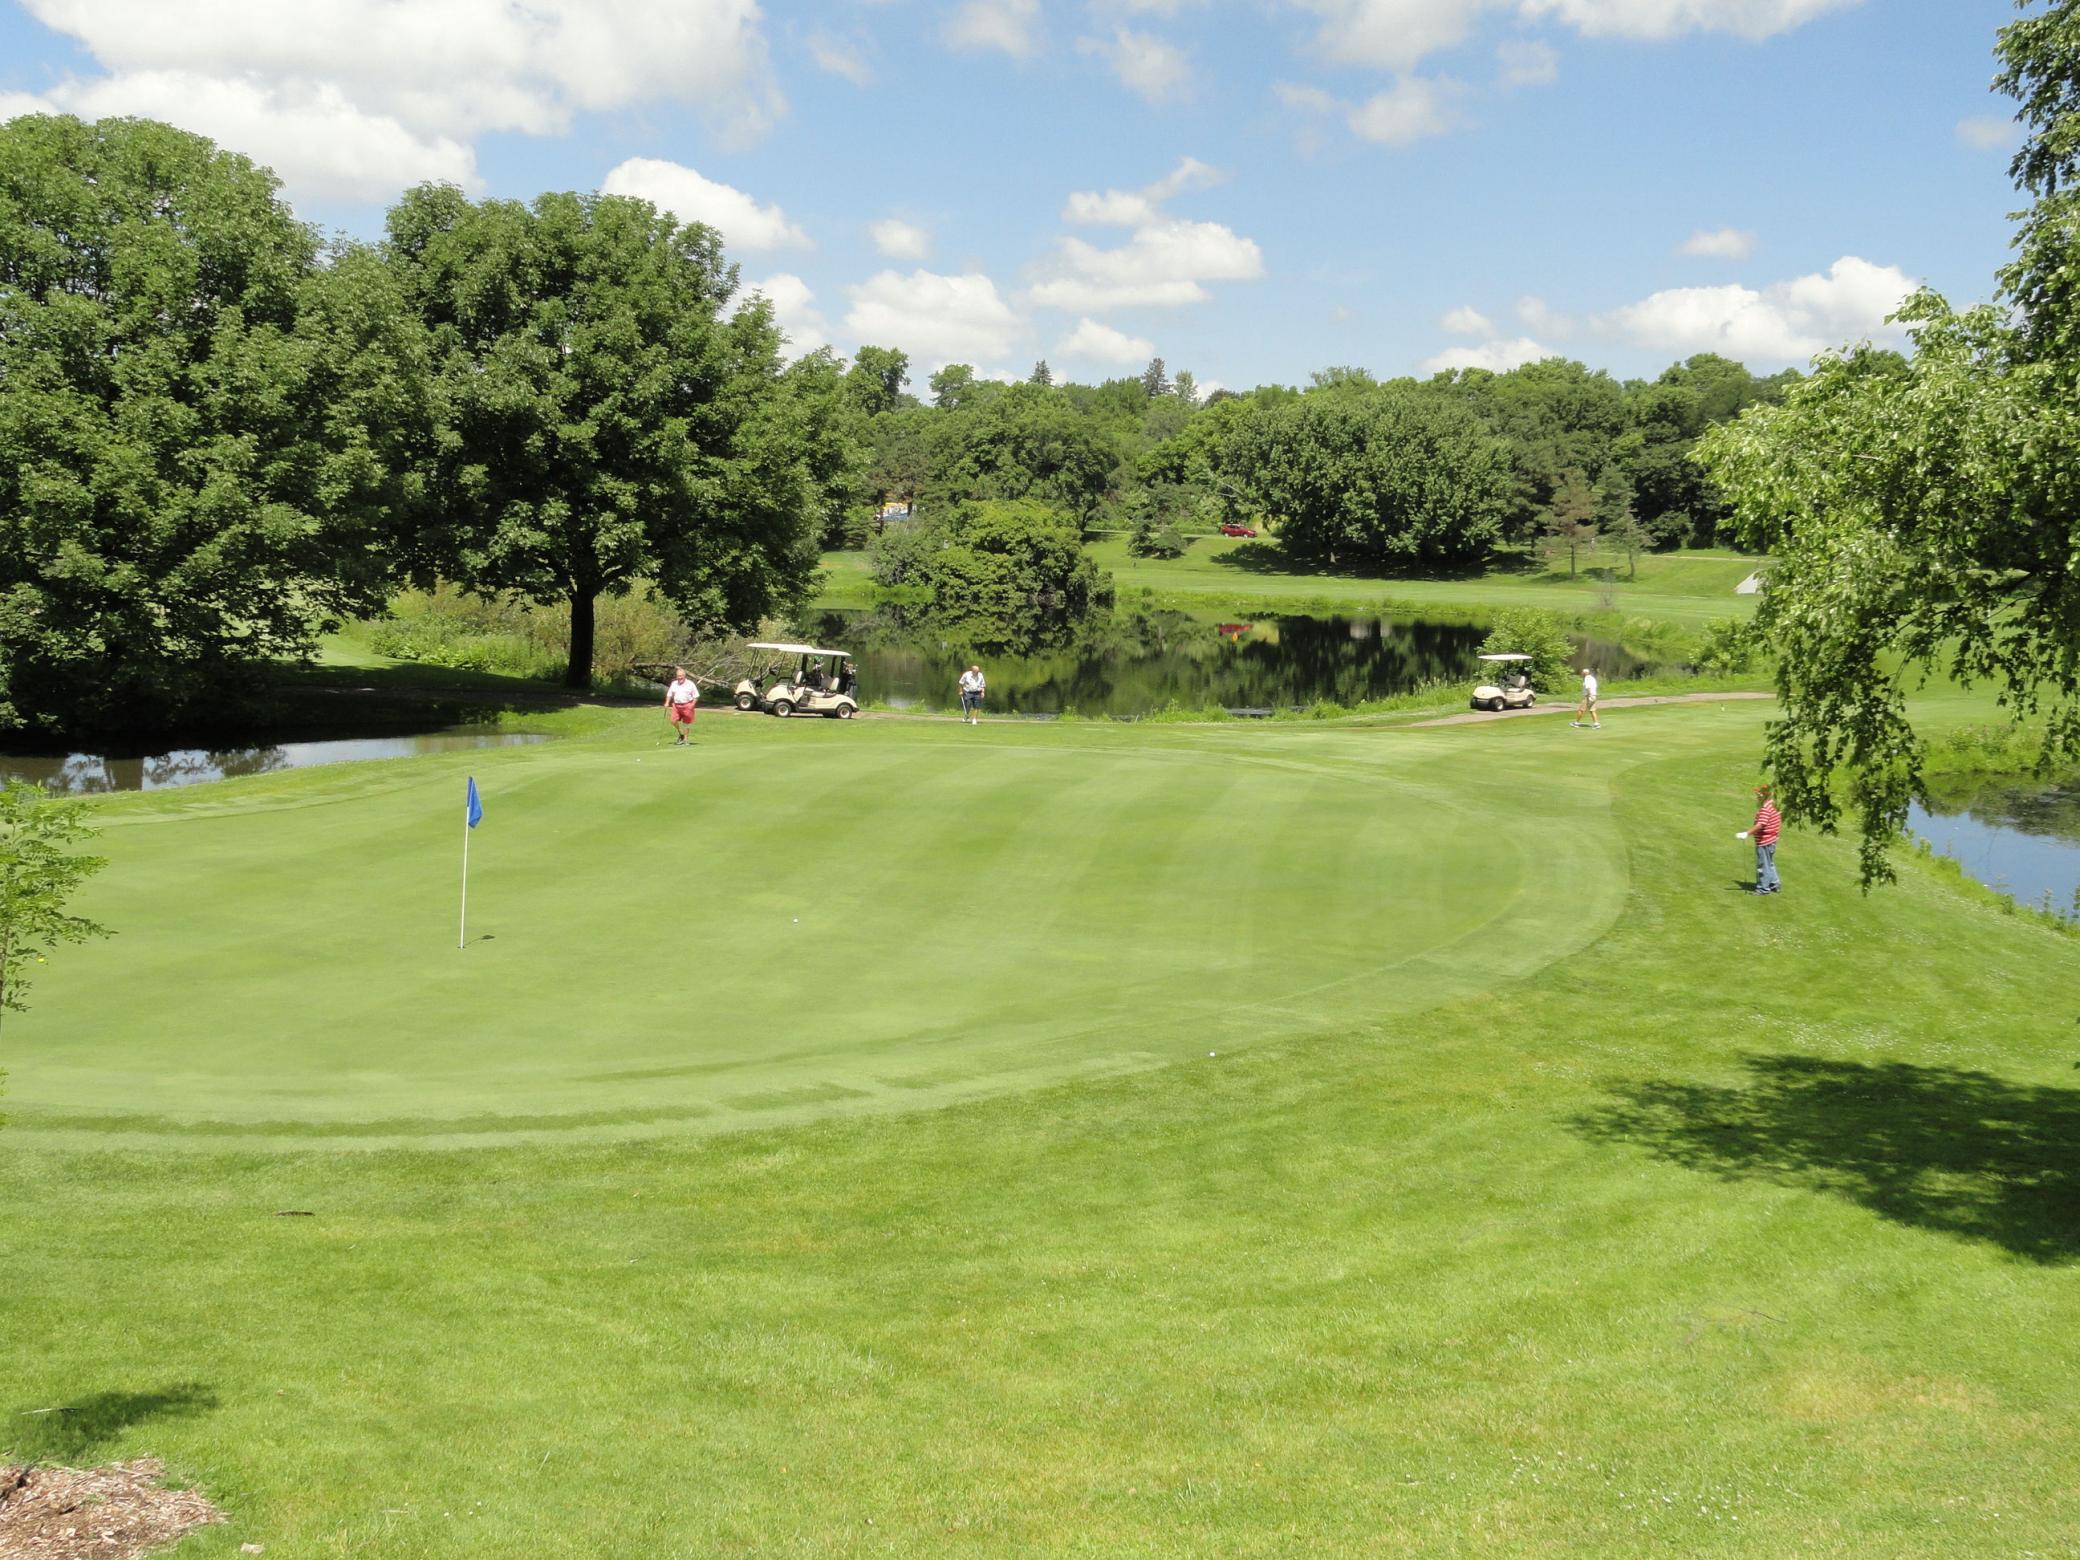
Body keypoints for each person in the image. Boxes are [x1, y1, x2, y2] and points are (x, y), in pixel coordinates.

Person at [1738, 783, 1782, 894]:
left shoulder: (1765, 808)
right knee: (1769, 863)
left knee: (1763, 865)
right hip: (1771, 840)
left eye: (1759, 794)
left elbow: (1760, 825)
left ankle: (1763, 888)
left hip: (1765, 841)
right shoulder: (1773, 805)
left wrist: (1746, 834)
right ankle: (1774, 883)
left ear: (1765, 795)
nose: (1757, 795)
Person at [663, 666, 699, 744]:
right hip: (676, 705)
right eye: (678, 676)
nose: (680, 677)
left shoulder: (690, 684)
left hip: (687, 705)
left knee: (686, 723)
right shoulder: (674, 683)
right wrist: (666, 702)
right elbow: (669, 694)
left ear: (684, 676)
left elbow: (696, 696)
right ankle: (681, 734)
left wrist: (692, 705)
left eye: (681, 676)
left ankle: (685, 740)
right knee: (673, 721)